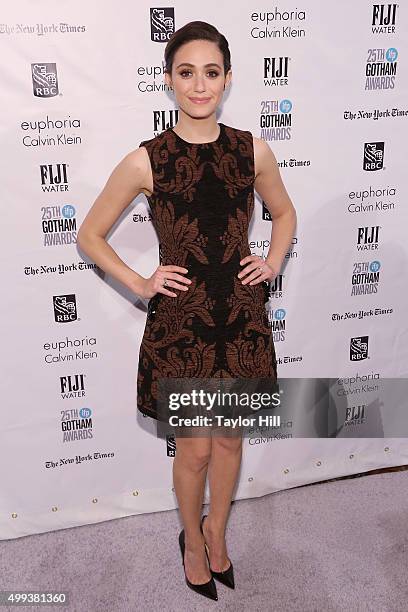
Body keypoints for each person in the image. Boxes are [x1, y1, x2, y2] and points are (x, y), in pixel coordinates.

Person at [77, 20, 296, 602]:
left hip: (241, 318)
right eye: (186, 72)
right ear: (169, 80)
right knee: (195, 448)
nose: (200, 85)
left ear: (227, 81)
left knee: (229, 442)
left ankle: (217, 533)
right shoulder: (146, 161)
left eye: (212, 73)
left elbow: (285, 213)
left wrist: (270, 261)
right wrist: (142, 281)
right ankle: (192, 542)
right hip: (182, 327)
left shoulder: (253, 149)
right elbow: (90, 235)